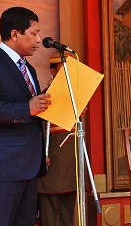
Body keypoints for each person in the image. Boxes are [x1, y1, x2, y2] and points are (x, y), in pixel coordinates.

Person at [0, 7, 51, 225]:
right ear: (15, 34)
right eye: (34, 33)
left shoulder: (29, 69)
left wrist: (63, 108)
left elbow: (34, 110)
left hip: (31, 163)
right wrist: (26, 108)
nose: (39, 39)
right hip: (4, 166)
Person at [38, 53, 77, 226]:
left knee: (68, 214)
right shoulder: (44, 97)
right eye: (63, 70)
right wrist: (40, 154)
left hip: (72, 162)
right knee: (50, 212)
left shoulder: (77, 98)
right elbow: (38, 131)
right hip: (51, 161)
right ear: (53, 71)